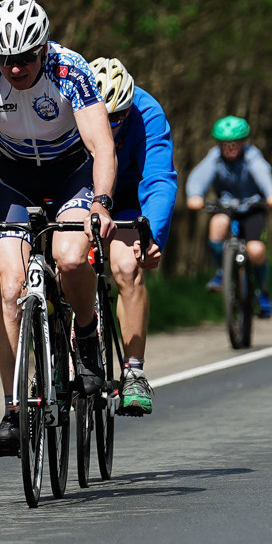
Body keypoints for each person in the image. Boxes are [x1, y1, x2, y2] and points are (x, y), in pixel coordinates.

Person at [0, 0, 119, 457]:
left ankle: (86, 337)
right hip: (14, 178)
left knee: (70, 258)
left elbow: (102, 146)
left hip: (72, 174)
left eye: (24, 57)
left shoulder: (71, 69)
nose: (15, 68)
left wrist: (101, 203)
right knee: (10, 288)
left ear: (43, 48)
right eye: (5, 59)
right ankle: (14, 409)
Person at [89, 58, 176, 416]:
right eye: (102, 118)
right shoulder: (68, 106)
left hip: (128, 196)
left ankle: (133, 373)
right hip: (83, 193)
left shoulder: (147, 112)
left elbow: (159, 179)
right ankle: (56, 357)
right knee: (65, 262)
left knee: (127, 267)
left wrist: (152, 234)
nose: (109, 126)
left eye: (117, 118)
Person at [186, 117, 272, 319]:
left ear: (243, 142)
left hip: (253, 208)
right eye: (225, 144)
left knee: (256, 250)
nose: (229, 148)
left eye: (234, 144)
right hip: (226, 206)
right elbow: (198, 178)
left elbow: (263, 175)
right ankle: (223, 271)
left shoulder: (252, 157)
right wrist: (195, 196)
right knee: (217, 224)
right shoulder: (214, 158)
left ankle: (263, 292)